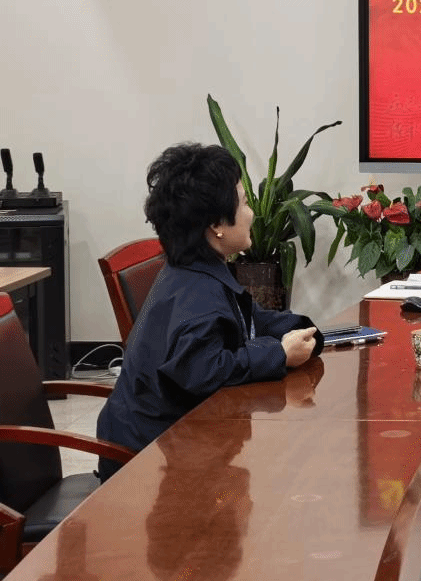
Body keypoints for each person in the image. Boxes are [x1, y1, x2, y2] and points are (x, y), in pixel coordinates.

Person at [97, 143, 323, 480]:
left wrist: (303, 330)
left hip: (174, 446)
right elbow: (204, 371)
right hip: (146, 465)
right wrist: (278, 353)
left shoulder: (196, 270)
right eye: (244, 203)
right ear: (216, 224)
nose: (252, 214)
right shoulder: (196, 294)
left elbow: (249, 318)